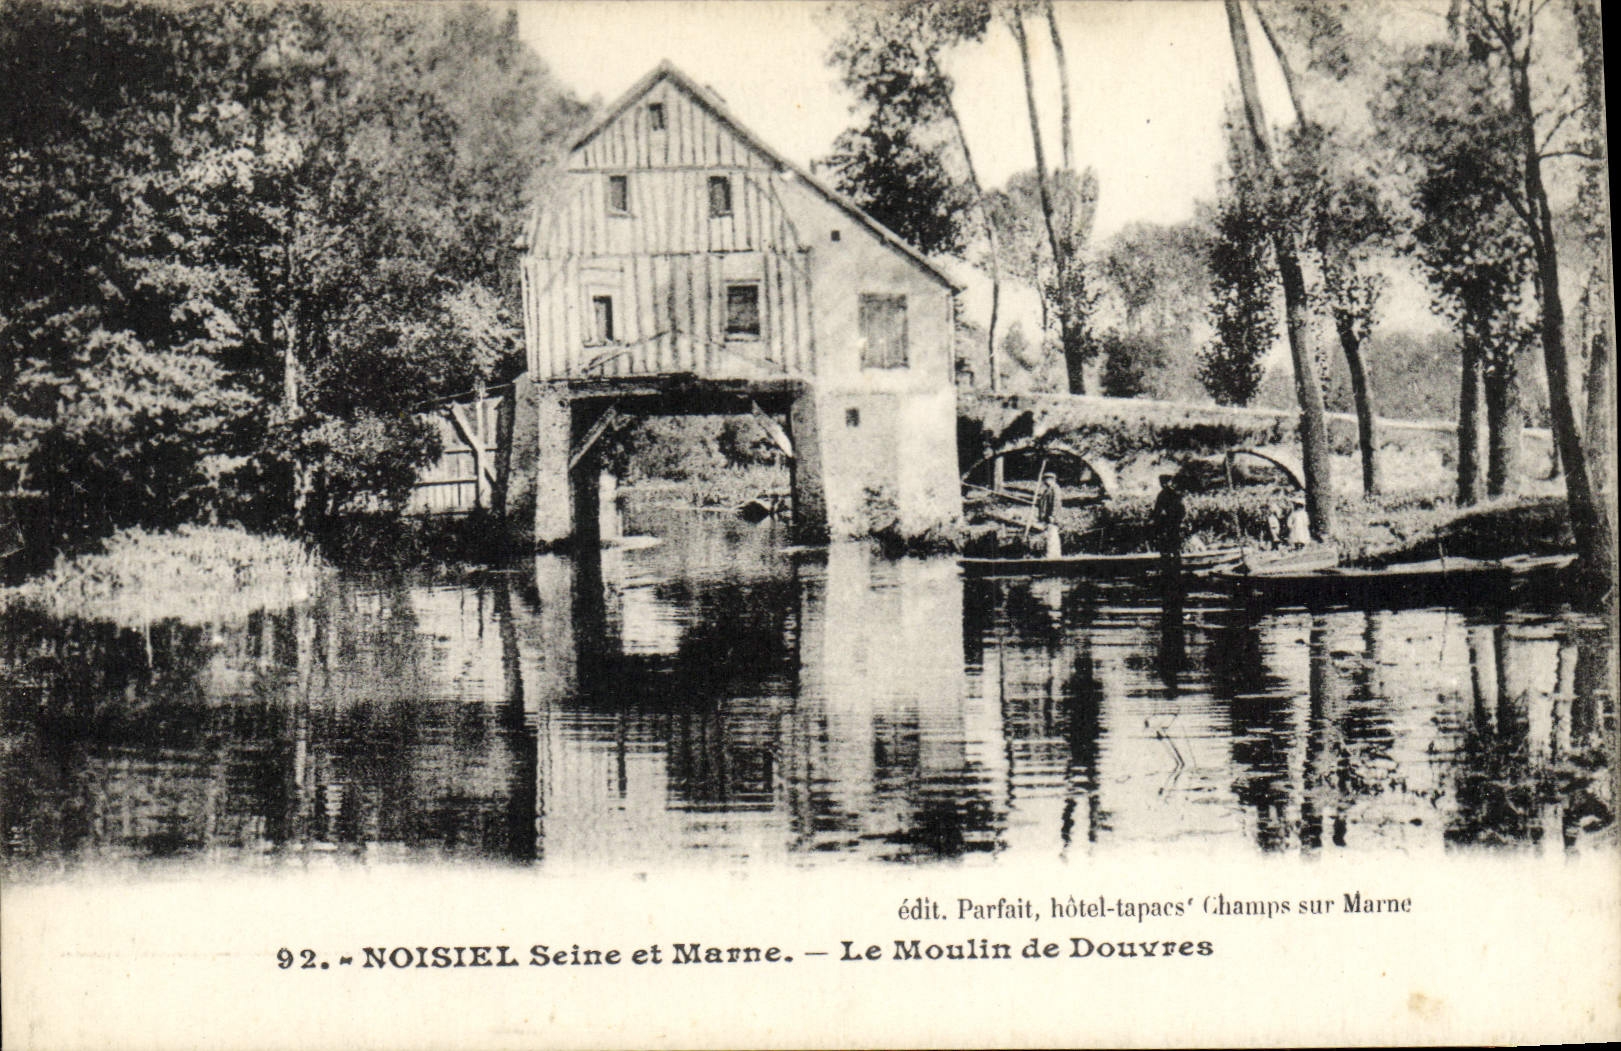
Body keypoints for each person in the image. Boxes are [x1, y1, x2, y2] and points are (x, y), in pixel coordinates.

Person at [1150, 473, 1185, 579]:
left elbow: (1158, 510)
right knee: (1174, 547)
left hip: (1166, 525)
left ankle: (1168, 571)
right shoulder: (1175, 494)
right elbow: (1182, 510)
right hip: (1174, 525)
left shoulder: (1163, 494)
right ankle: (1175, 571)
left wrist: (1155, 518)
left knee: (1166, 548)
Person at [1033, 471, 1063, 558]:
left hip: (1052, 517)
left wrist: (1053, 515)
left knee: (1053, 534)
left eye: (1047, 479)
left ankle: (1053, 554)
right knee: (1049, 534)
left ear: (1052, 480)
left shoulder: (1055, 489)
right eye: (1044, 480)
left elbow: (1056, 503)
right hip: (1047, 517)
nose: (1045, 482)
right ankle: (1051, 553)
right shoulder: (1047, 490)